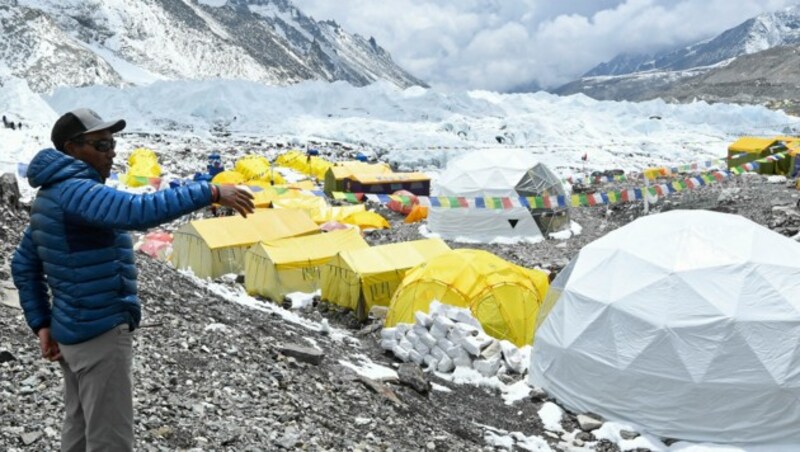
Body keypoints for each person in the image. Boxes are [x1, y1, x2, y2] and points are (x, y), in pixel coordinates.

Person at [10, 108, 254, 451]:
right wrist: (210, 192)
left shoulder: (50, 196)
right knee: (110, 440)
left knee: (79, 432)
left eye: (113, 144)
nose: (111, 153)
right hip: (99, 334)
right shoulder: (77, 191)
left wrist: (42, 324)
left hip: (72, 333)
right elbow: (137, 212)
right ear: (71, 148)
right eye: (102, 144)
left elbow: (23, 264)